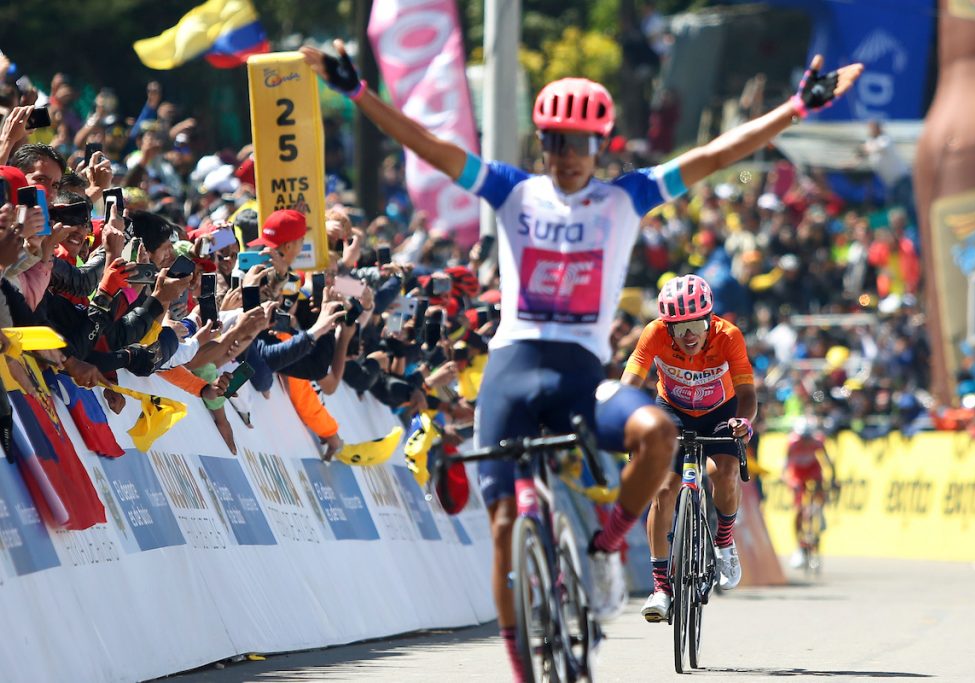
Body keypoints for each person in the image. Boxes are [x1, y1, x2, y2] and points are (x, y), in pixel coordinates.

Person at [300, 40, 861, 681]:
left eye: (577, 143)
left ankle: (604, 547)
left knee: (658, 433)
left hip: (575, 373)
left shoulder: (623, 199)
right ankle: (520, 664)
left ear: (601, 146)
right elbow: (430, 146)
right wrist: (358, 93)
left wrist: (794, 108)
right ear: (540, 145)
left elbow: (713, 157)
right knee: (506, 519)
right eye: (553, 143)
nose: (564, 156)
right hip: (512, 366)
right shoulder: (512, 191)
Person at [621, 274, 757, 622]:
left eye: (697, 323)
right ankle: (661, 588)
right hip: (673, 411)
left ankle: (724, 541)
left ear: (710, 318)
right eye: (679, 328)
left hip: (720, 412)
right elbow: (630, 383)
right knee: (664, 490)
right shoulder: (652, 333)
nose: (689, 335)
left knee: (724, 472)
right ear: (666, 327)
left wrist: (742, 423)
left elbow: (747, 395)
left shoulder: (729, 336)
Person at [785, 416, 836, 569]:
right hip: (798, 474)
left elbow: (828, 462)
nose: (806, 441)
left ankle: (819, 512)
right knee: (799, 510)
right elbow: (785, 466)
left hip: (813, 470)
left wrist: (833, 479)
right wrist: (789, 481)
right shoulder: (792, 443)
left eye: (808, 438)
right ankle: (799, 547)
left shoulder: (818, 441)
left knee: (820, 489)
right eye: (803, 438)